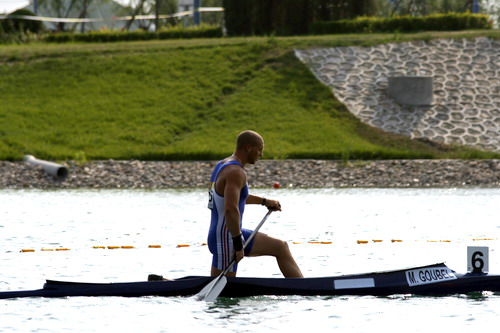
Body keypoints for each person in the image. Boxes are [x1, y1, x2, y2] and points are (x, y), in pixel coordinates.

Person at [207, 130, 303, 278]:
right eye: (260, 149)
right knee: (224, 293)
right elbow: (230, 210)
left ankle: (303, 288)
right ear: (249, 148)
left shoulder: (223, 164)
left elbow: (235, 197)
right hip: (226, 238)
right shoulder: (236, 172)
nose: (261, 154)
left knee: (280, 247)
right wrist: (238, 245)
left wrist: (265, 202)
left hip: (231, 232)